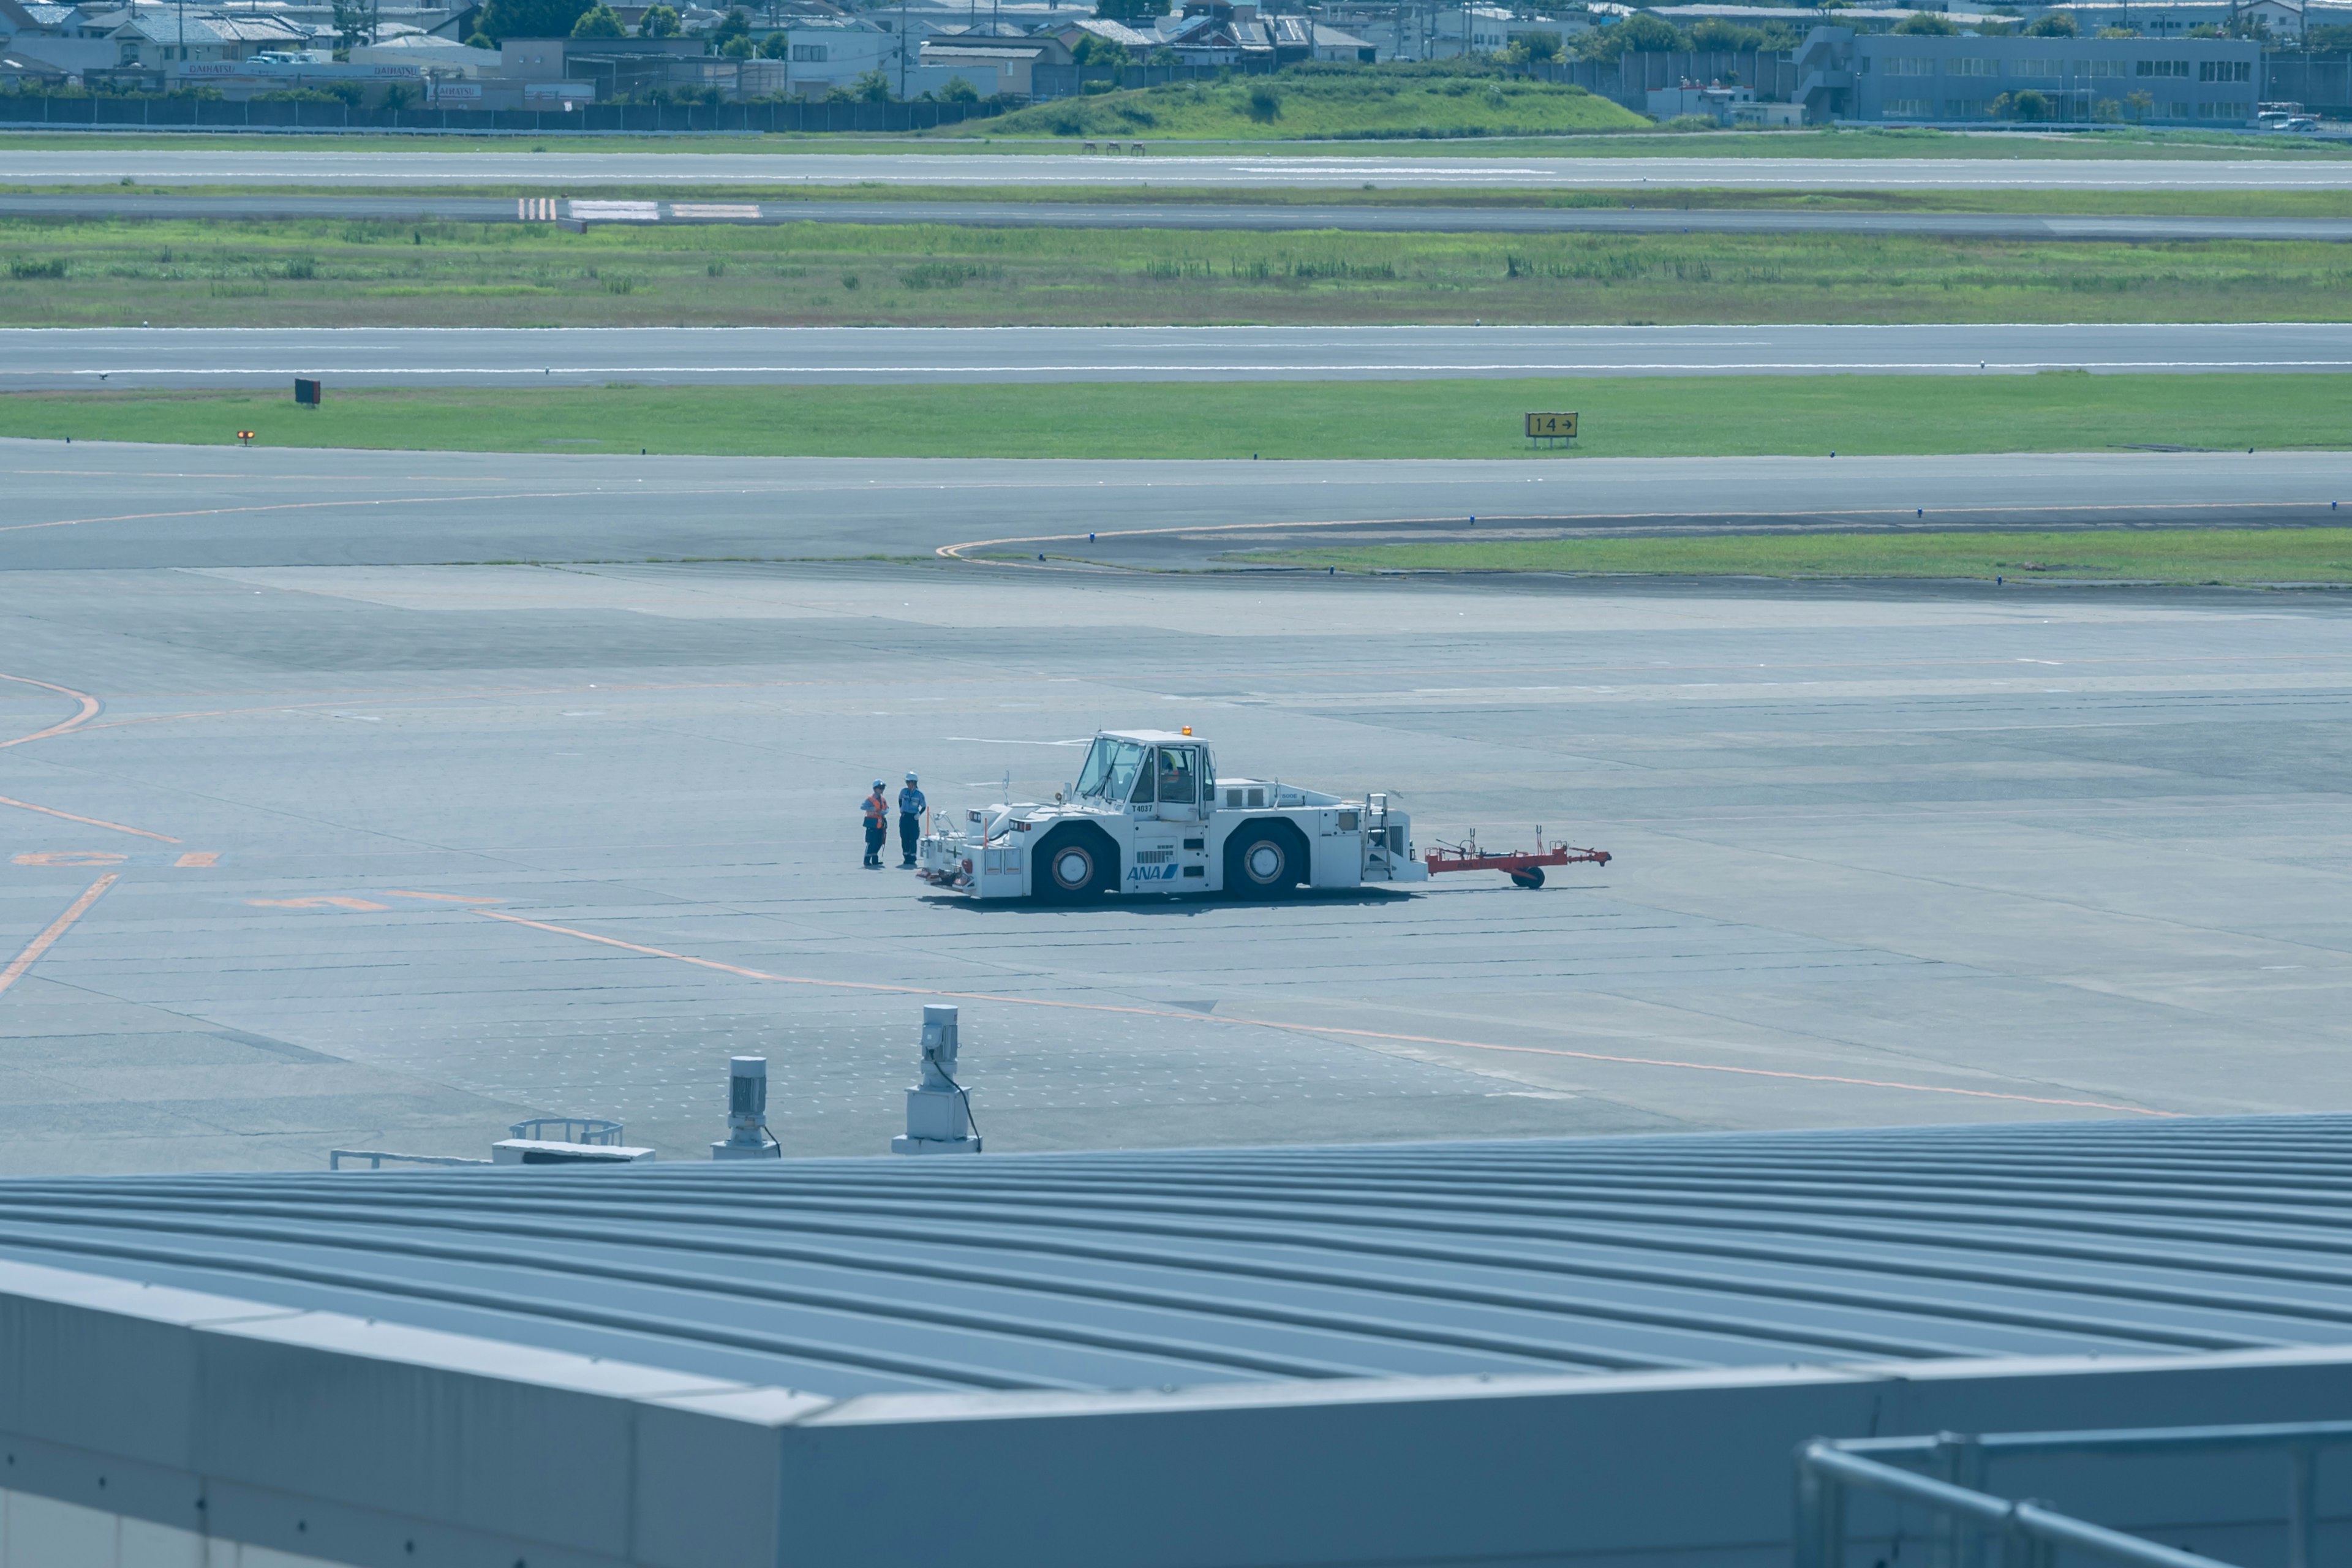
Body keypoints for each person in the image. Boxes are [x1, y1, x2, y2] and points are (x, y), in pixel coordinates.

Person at [897, 772, 927, 868]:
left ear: (914, 782)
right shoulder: (904, 792)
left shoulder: (919, 794)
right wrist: (901, 808)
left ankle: (912, 858)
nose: (908, 784)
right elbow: (900, 799)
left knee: (913, 838)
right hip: (905, 816)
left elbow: (924, 806)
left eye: (909, 782)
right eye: (907, 782)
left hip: (913, 818)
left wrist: (919, 814)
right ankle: (906, 857)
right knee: (904, 837)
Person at [861, 780, 889, 868]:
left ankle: (875, 860)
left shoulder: (883, 799)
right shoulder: (870, 799)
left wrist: (884, 812)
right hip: (872, 824)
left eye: (883, 788)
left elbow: (887, 808)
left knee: (879, 842)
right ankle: (867, 860)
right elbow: (863, 807)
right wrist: (873, 809)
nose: (882, 790)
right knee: (871, 842)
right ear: (875, 789)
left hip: (880, 824)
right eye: (880, 788)